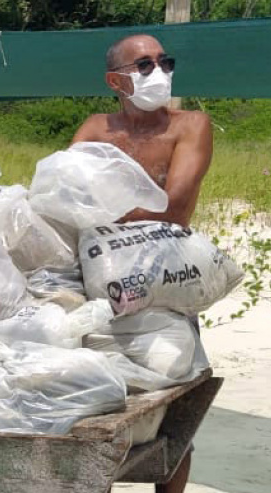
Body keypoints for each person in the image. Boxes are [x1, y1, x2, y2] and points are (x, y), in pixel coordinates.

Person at [72, 34, 213, 493]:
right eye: (145, 65)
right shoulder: (96, 129)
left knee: (174, 414)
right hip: (102, 280)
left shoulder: (190, 126)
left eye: (165, 62)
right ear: (116, 80)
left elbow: (175, 205)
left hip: (165, 278)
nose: (161, 72)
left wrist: (105, 206)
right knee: (101, 408)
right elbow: (64, 194)